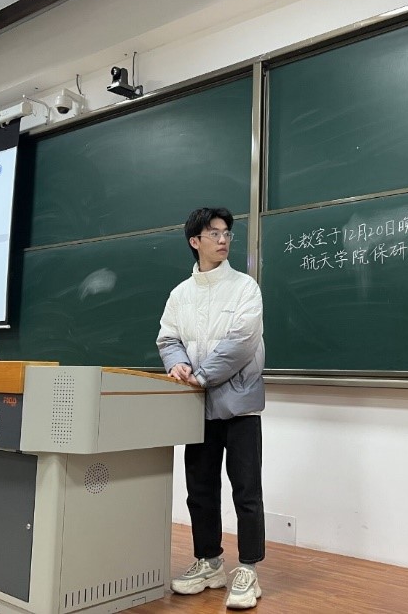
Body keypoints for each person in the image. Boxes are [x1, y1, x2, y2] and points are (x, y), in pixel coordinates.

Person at [157, 207, 266, 610]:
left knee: (246, 491)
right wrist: (177, 364)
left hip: (239, 406)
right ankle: (209, 562)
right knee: (200, 490)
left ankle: (248, 569)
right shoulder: (179, 295)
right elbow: (168, 339)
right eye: (214, 233)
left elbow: (242, 342)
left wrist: (201, 375)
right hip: (196, 406)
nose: (223, 240)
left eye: (226, 234)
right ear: (195, 241)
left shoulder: (245, 287)